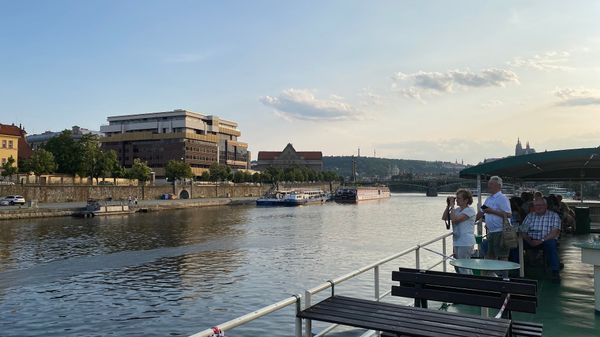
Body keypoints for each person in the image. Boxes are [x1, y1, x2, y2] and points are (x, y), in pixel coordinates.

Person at [522, 197, 561, 282]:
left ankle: (555, 271)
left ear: (546, 206)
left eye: (540, 205)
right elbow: (523, 231)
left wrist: (541, 241)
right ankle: (517, 269)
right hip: (530, 240)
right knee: (515, 244)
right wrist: (529, 240)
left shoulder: (554, 216)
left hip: (546, 240)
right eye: (536, 205)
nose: (538, 207)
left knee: (551, 244)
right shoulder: (530, 215)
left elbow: (554, 233)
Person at [477, 176, 512, 261]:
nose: (489, 186)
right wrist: (470, 222)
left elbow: (509, 214)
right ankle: (491, 274)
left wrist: (492, 211)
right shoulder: (488, 199)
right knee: (490, 257)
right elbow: (481, 212)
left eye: (491, 184)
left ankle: (504, 274)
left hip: (501, 232)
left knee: (502, 257)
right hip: (491, 232)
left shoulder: (502, 198)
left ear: (499, 186)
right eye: (489, 184)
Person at [442, 189, 476, 274]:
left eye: (459, 198)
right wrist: (448, 206)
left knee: (463, 266)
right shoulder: (457, 210)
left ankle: (466, 284)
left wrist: (452, 206)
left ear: (466, 200)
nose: (457, 200)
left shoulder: (470, 210)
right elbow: (444, 218)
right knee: (459, 265)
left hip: (465, 242)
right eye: (456, 198)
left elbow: (455, 220)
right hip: (457, 241)